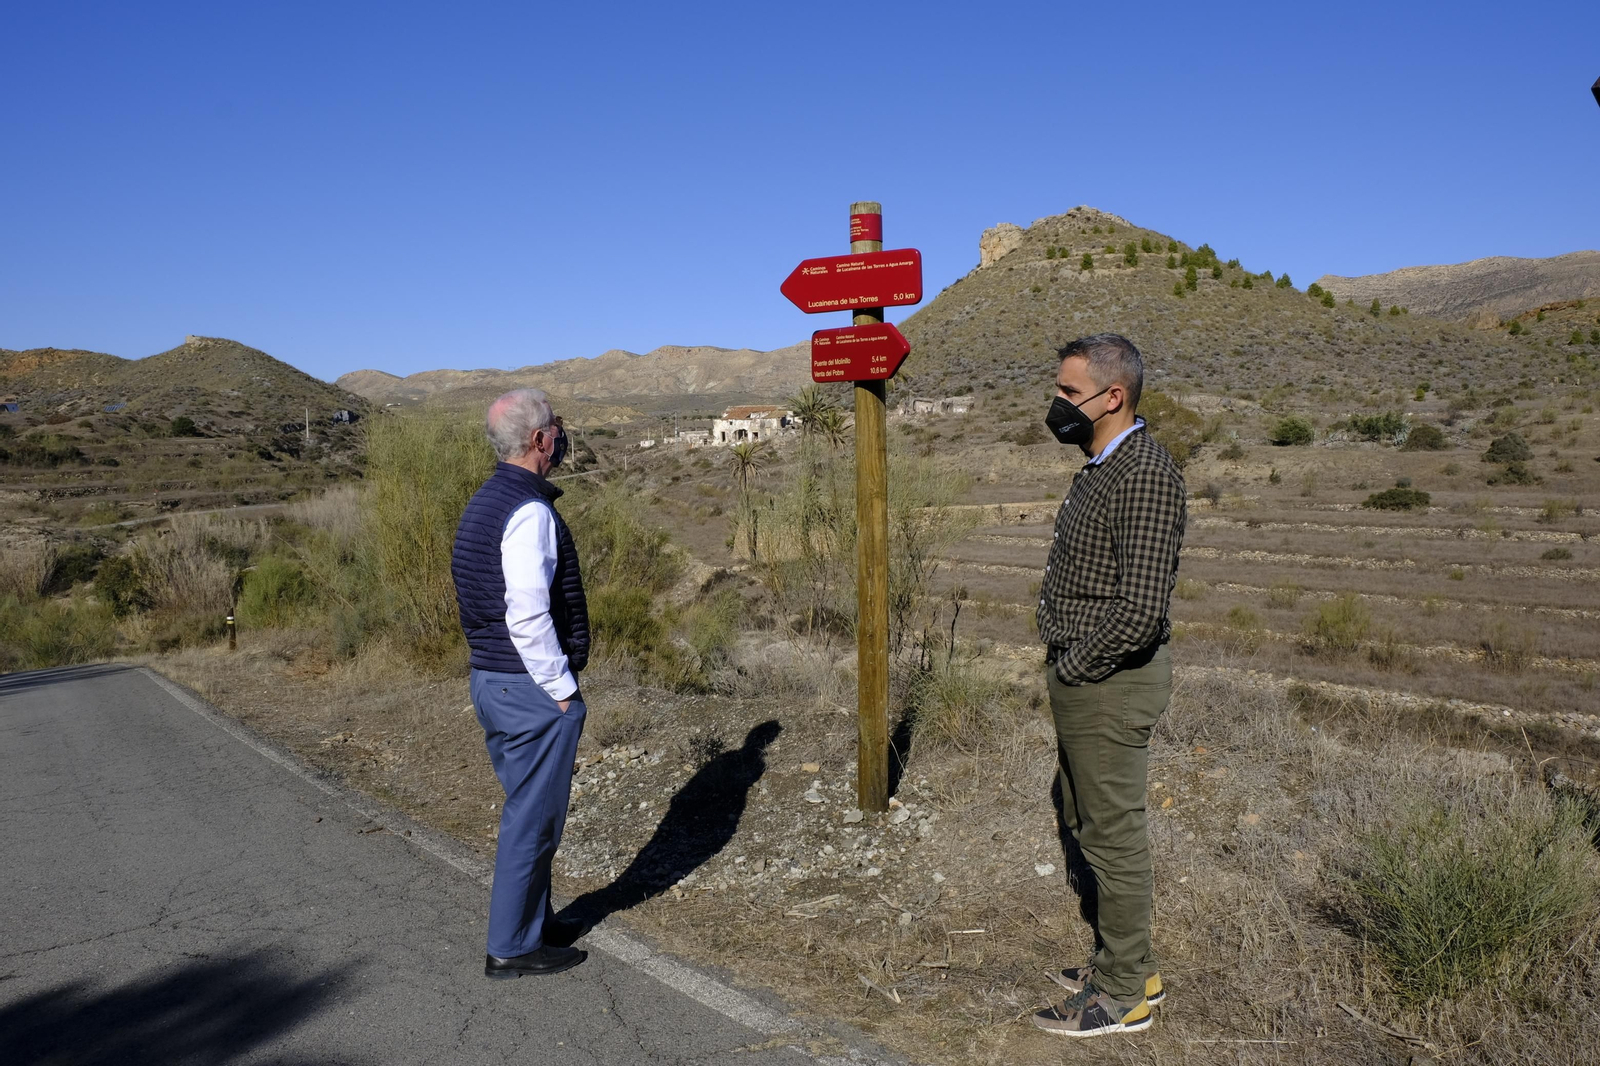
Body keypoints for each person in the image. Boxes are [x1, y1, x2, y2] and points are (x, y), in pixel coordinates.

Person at [1029, 334, 1187, 1037]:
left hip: (1109, 682)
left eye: (1068, 392)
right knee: (1087, 823)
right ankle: (1129, 963)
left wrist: (1074, 667)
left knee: (1113, 837)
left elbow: (1142, 610)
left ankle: (1124, 996)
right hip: (1088, 678)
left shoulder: (1145, 473)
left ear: (1111, 396)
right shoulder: (1100, 466)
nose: (1058, 403)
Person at [451, 388, 592, 979]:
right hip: (528, 689)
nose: (561, 437)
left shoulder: (485, 501)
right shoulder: (528, 511)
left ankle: (534, 921)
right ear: (540, 440)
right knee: (532, 820)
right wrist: (562, 691)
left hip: (493, 679)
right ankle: (511, 946)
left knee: (528, 810)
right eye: (556, 429)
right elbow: (528, 614)